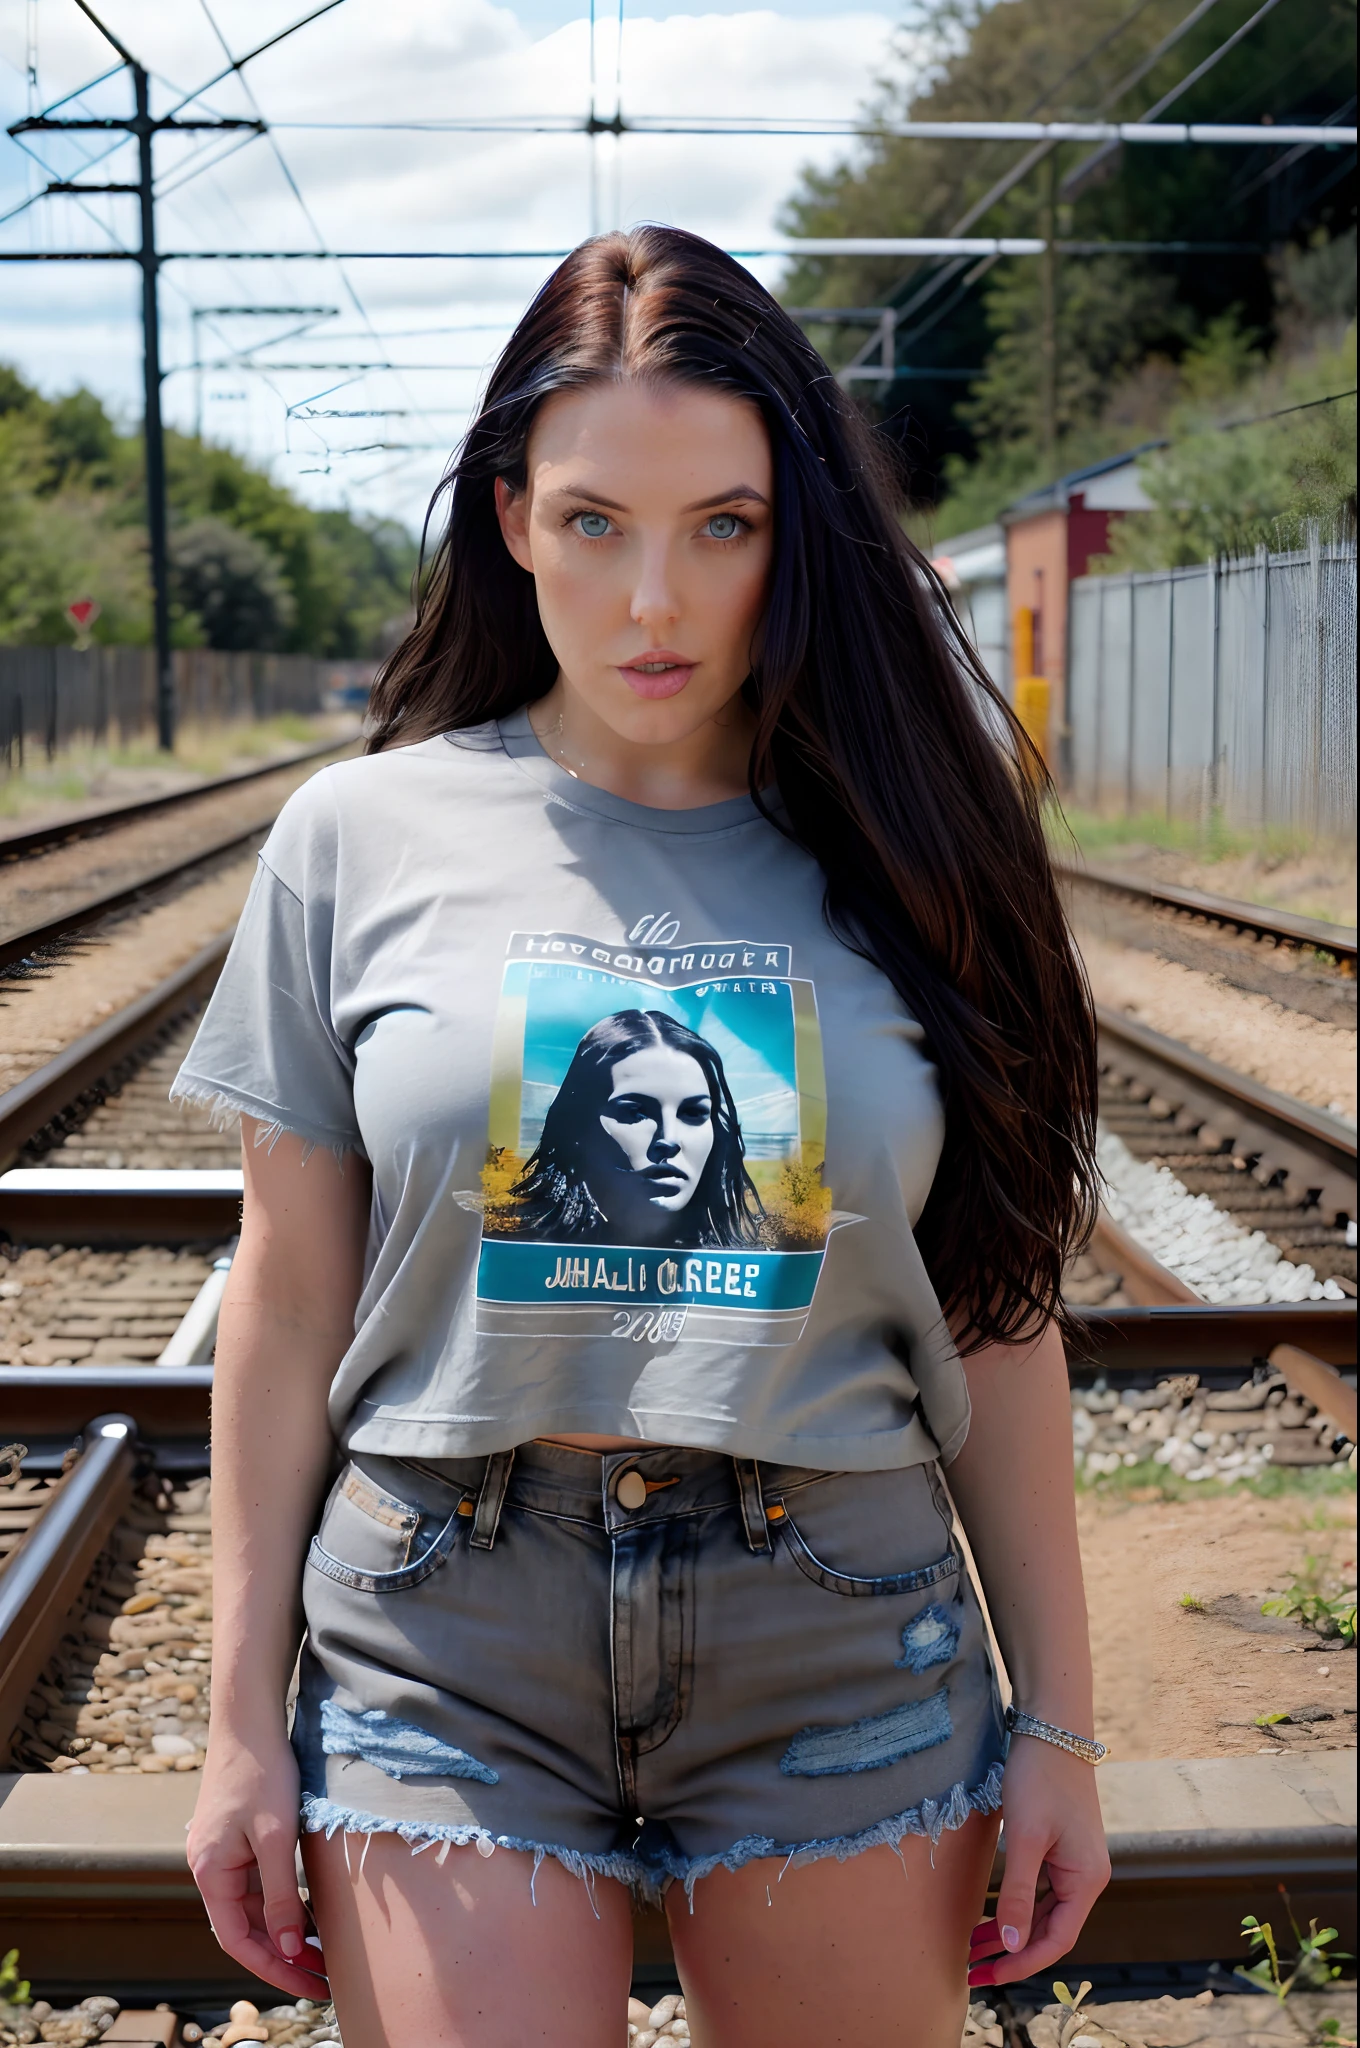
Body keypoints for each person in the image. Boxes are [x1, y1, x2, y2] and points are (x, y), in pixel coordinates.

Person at [176, 224, 1110, 2048]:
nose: (656, 603)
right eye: (597, 522)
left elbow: (996, 1306)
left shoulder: (920, 840)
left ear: (796, 531)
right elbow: (285, 1306)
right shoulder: (354, 836)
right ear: (515, 516)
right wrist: (233, 1722)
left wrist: (1060, 1721)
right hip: (447, 1631)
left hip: (834, 1616)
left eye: (725, 525)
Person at [504, 1007, 764, 1248]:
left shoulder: (753, 1275)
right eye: (634, 1112)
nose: (669, 1139)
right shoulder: (512, 1251)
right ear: (579, 1128)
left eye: (693, 1113)